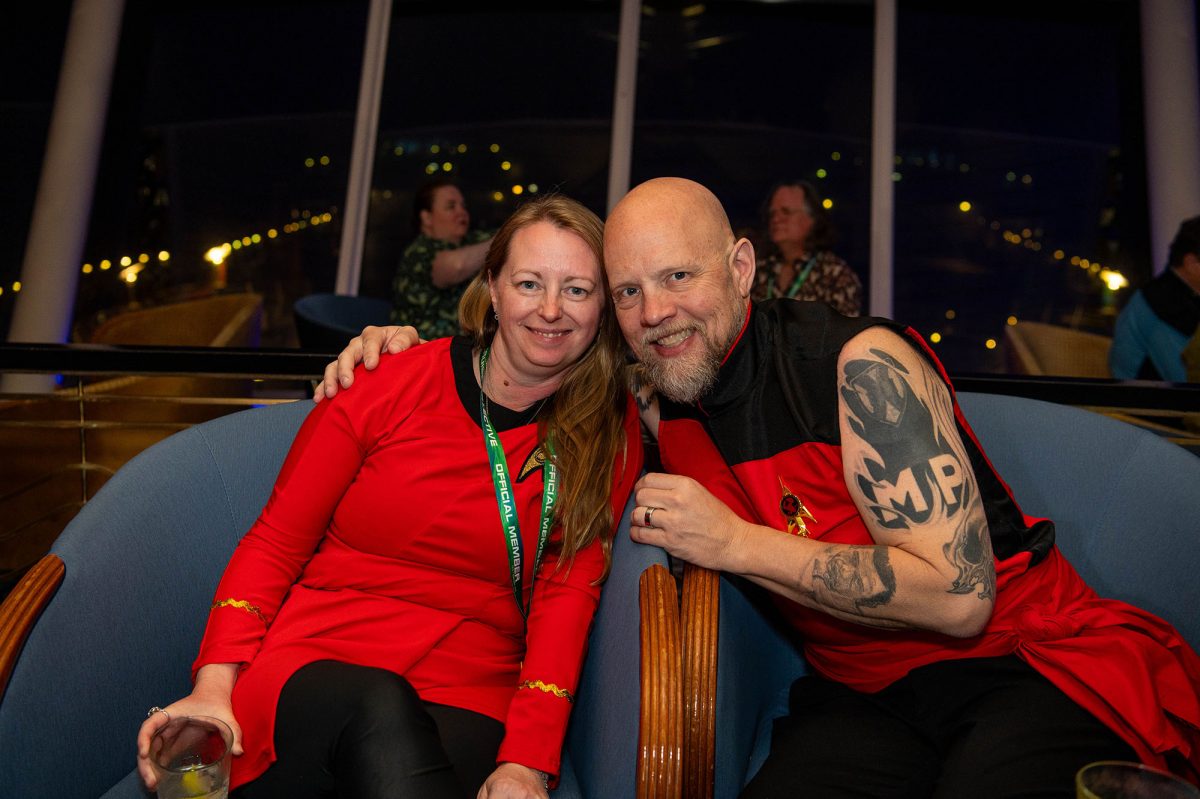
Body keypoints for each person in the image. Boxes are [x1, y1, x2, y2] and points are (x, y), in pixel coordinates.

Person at [319, 178, 1200, 796]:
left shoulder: (860, 366)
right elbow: (526, 370)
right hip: (862, 694)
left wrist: (734, 542)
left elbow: (961, 599)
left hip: (1024, 663)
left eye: (679, 276)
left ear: (741, 268)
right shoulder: (655, 393)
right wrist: (407, 351)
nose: (655, 311)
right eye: (628, 292)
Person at [137, 195, 643, 799]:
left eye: (577, 290)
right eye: (529, 283)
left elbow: (568, 597)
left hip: (471, 686)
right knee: (379, 704)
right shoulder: (387, 378)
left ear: (603, 307)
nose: (551, 309)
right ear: (492, 287)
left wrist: (527, 763)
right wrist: (214, 687)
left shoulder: (605, 432)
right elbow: (275, 542)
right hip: (319, 659)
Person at [391, 180, 494, 339]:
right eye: (451, 207)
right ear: (427, 218)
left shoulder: (472, 240)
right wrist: (504, 240)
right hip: (422, 346)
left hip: (465, 346)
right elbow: (457, 266)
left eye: (463, 206)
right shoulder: (418, 252)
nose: (462, 212)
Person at [1109, 214, 1200, 382]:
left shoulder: (1176, 297)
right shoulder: (1161, 304)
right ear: (1191, 263)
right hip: (1144, 397)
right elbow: (1185, 378)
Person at [754, 179, 862, 316]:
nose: (776, 219)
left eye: (786, 211)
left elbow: (847, 328)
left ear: (811, 219)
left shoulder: (836, 276)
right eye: (772, 213)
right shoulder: (760, 270)